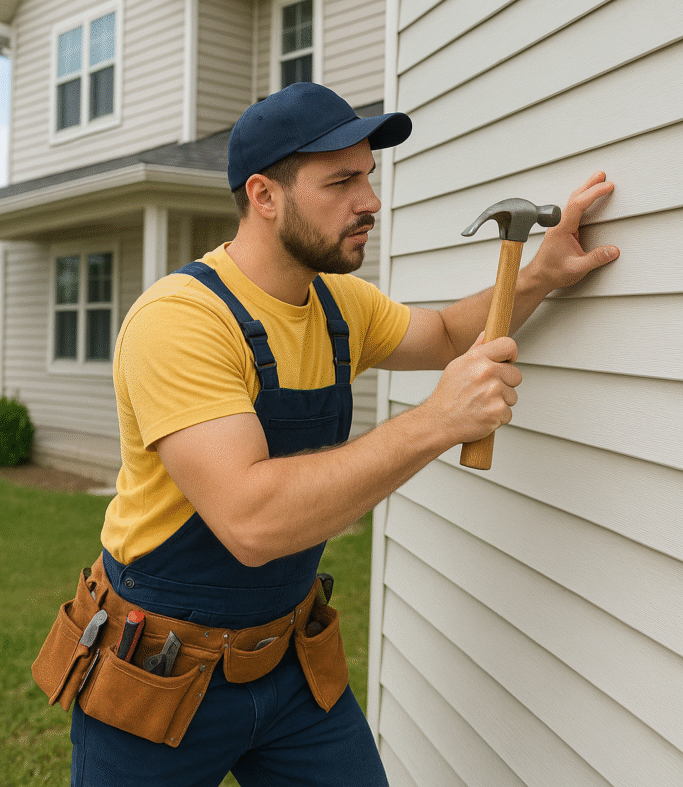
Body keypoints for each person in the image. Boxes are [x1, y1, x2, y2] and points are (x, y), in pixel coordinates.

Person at [67, 82, 619, 785]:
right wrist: (436, 421)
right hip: (157, 674)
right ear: (264, 196)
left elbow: (448, 333)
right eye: (341, 181)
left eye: (368, 175)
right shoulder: (181, 321)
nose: (371, 201)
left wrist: (540, 272)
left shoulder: (337, 305)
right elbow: (251, 519)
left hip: (290, 663)